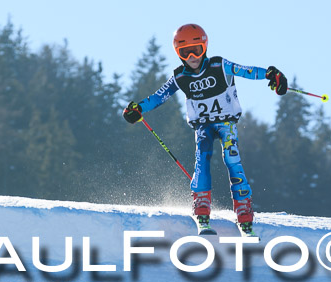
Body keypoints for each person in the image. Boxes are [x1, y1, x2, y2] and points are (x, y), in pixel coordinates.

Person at [122, 23, 288, 235]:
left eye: (196, 50)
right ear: (178, 53)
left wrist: (271, 75)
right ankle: (202, 212)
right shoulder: (180, 77)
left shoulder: (219, 65)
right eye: (185, 52)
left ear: (205, 48)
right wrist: (138, 108)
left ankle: (244, 215)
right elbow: (158, 97)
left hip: (226, 122)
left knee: (232, 160)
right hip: (203, 126)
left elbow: (246, 71)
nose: (192, 56)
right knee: (202, 160)